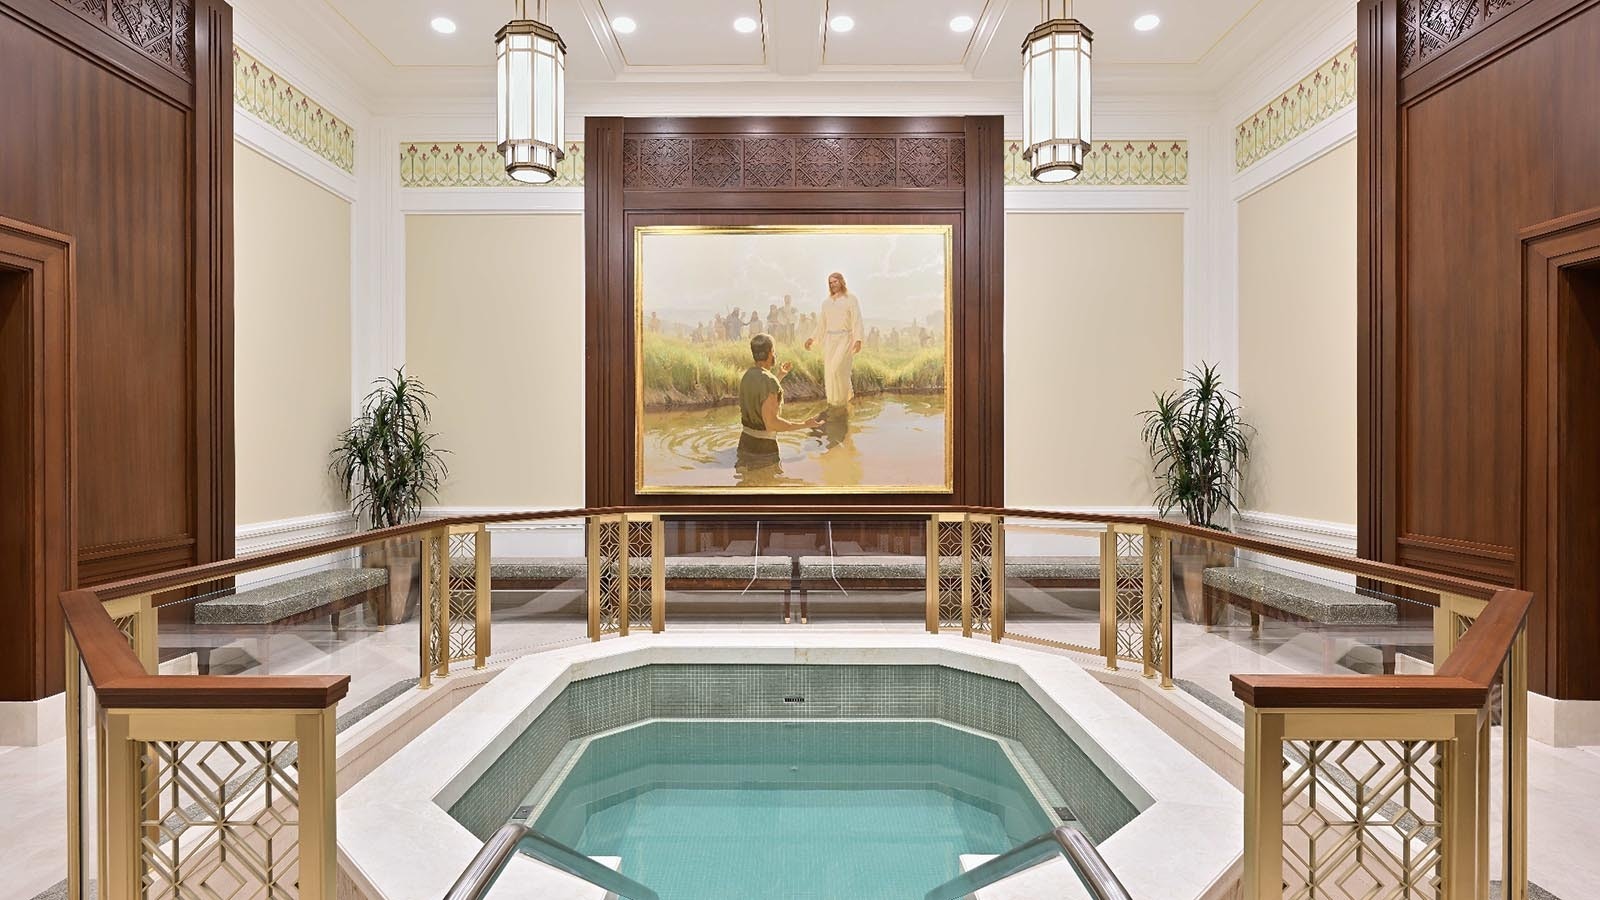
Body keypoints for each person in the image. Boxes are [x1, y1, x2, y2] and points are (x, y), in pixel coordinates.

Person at [736, 332, 821, 470]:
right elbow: (772, 424)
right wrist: (804, 424)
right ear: (770, 353)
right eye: (774, 351)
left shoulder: (747, 376)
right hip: (764, 449)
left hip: (745, 444)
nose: (775, 354)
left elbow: (761, 395)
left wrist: (779, 376)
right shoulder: (769, 381)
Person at [804, 272, 864, 407]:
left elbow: (857, 320)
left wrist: (858, 339)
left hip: (845, 339)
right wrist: (811, 339)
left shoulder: (851, 299)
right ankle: (834, 402)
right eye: (830, 283)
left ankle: (844, 398)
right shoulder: (826, 303)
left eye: (835, 282)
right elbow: (822, 324)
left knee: (837, 369)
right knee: (830, 372)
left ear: (842, 282)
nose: (833, 285)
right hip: (830, 341)